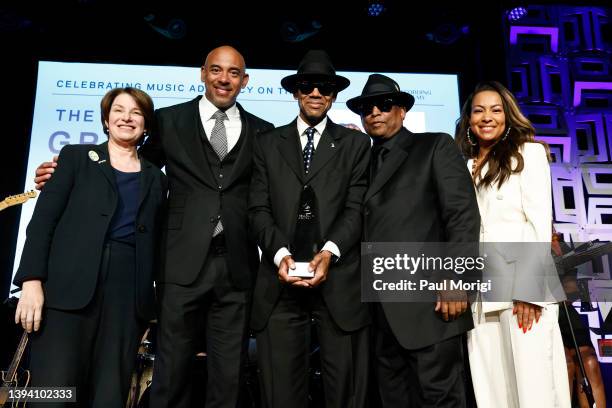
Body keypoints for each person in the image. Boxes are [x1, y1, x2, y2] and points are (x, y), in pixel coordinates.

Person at [33, 45, 274, 408]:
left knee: (229, 379)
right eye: (216, 70)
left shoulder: (263, 132)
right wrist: (70, 173)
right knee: (169, 375)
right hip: (178, 264)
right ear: (202, 73)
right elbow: (129, 168)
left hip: (237, 268)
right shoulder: (167, 120)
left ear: (245, 80)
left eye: (233, 72)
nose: (224, 78)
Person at [14, 87, 167, 407]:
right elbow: (43, 222)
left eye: (136, 112)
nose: (127, 117)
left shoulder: (156, 178)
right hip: (66, 293)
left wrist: (151, 308)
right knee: (52, 395)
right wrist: (31, 281)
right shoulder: (75, 157)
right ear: (106, 121)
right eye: (119, 111)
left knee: (108, 396)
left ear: (146, 125)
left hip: (126, 301)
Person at [346, 74, 480, 407]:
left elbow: (462, 217)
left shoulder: (434, 146)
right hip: (378, 312)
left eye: (384, 104)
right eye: (366, 107)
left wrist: (457, 278)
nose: (374, 112)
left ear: (403, 110)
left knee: (441, 399)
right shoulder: (361, 163)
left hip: (431, 306)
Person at [248, 50, 370, 408]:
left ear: (333, 95)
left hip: (340, 286)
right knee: (280, 396)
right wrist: (281, 255)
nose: (316, 92)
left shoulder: (356, 144)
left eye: (324, 87)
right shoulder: (267, 143)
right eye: (307, 86)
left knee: (345, 396)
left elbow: (356, 208)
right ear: (296, 92)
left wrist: (330, 252)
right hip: (279, 288)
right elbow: (257, 208)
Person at [455, 80, 570, 408]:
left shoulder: (529, 153)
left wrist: (528, 291)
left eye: (495, 110)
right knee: (492, 393)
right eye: (479, 110)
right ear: (469, 119)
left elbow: (538, 224)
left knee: (533, 390)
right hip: (481, 294)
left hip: (523, 292)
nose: (486, 117)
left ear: (507, 116)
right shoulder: (463, 165)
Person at [552, 230, 607, 408]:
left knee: (589, 362)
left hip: (564, 311)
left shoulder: (559, 245)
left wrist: (564, 258)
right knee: (564, 364)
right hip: (541, 313)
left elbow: (571, 289)